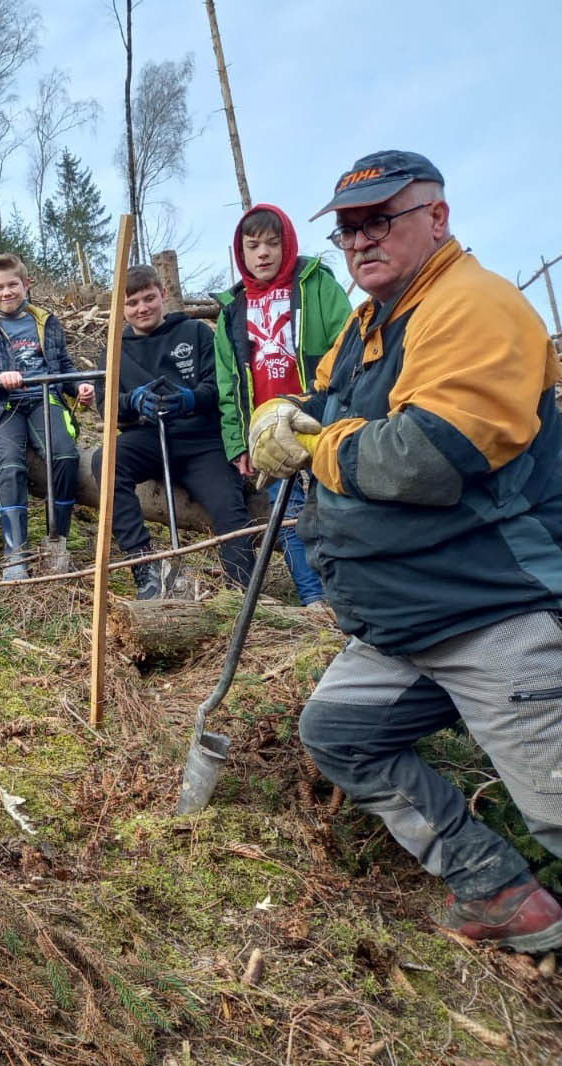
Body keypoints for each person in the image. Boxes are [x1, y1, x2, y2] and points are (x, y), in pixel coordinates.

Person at [248, 150, 562, 954]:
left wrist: (314, 446)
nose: (359, 241)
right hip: (406, 623)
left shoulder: (474, 307)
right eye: (349, 227)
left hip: (493, 612)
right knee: (340, 734)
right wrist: (286, 410)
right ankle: (500, 892)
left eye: (380, 219)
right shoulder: (373, 323)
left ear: (439, 217)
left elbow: (425, 455)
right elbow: (332, 400)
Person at [213, 203, 351, 609]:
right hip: (269, 430)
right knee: (287, 515)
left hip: (322, 418)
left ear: (287, 243)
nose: (263, 254)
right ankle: (314, 599)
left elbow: (346, 347)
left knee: (338, 504)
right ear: (241, 252)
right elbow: (228, 382)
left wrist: (341, 407)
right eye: (253, 246)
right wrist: (238, 441)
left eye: (273, 243)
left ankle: (352, 593)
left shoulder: (317, 286)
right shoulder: (233, 310)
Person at [100, 264, 252, 598]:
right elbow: (105, 404)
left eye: (149, 298)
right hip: (150, 438)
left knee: (230, 504)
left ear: (163, 295)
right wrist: (132, 402)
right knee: (106, 461)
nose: (142, 308)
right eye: (133, 303)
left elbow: (220, 386)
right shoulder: (115, 348)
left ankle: (242, 592)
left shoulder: (196, 333)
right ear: (121, 309)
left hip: (202, 441)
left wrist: (190, 400)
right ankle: (145, 566)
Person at [0, 253, 93, 579]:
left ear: (26, 285)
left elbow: (63, 366)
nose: (6, 292)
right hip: (3, 406)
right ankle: (15, 551)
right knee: (9, 466)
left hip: (43, 399)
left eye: (13, 285)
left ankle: (57, 538)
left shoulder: (45, 321)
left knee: (64, 455)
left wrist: (79, 386)